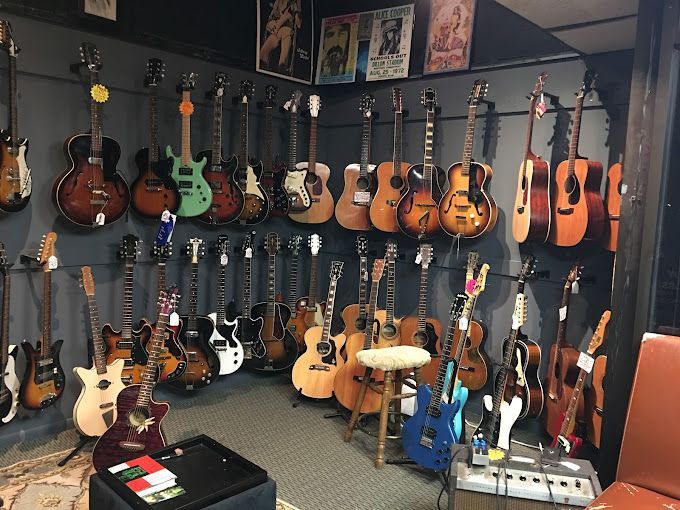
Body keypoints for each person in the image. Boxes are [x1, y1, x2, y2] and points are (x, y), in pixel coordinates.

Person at [260, 0, 301, 74]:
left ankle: (282, 65)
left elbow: (298, 24)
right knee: (265, 49)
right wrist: (271, 24)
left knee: (286, 35)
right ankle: (263, 60)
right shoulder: (277, 2)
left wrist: (297, 13)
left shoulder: (292, 4)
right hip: (275, 31)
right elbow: (270, 19)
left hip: (286, 29)